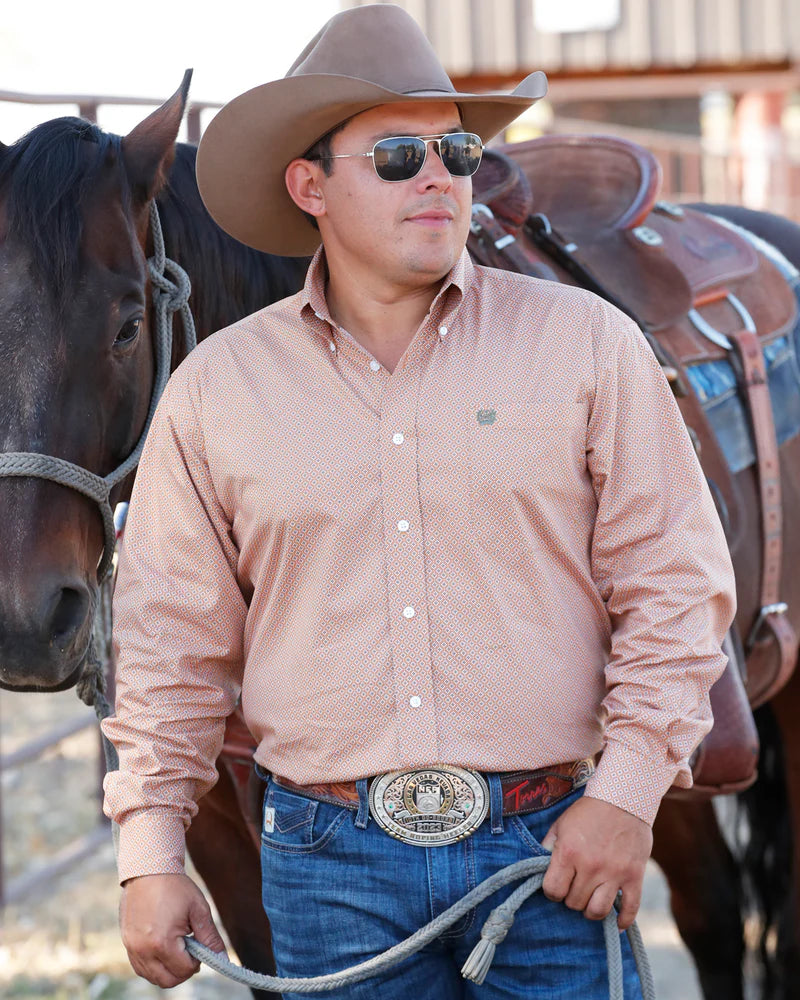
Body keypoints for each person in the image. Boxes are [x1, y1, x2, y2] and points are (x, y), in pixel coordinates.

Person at [102, 5, 736, 999]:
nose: (439, 175)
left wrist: (622, 795)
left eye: (455, 148)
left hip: (552, 850)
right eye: (398, 155)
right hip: (324, 864)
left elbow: (672, 580)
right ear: (307, 185)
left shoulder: (585, 345)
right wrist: (150, 847)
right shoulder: (218, 390)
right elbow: (167, 639)